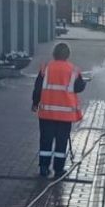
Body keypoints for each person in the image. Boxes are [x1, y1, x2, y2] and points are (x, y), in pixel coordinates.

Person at [32, 43, 86, 178]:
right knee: (61, 143)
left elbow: (38, 87)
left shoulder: (46, 68)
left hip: (46, 113)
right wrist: (83, 82)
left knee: (45, 141)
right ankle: (58, 170)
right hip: (65, 115)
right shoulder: (73, 70)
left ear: (54, 54)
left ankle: (43, 168)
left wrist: (35, 103)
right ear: (67, 55)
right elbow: (78, 87)